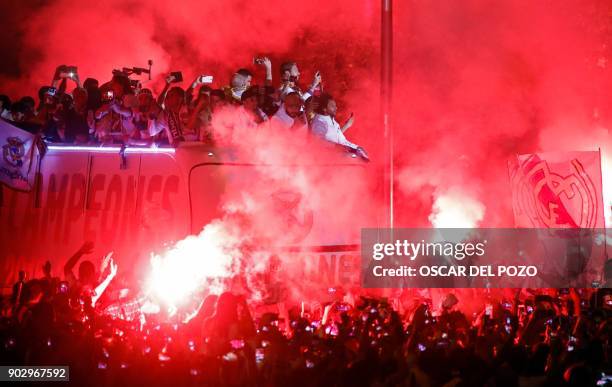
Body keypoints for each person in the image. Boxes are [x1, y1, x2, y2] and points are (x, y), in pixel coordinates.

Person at [310, 93, 368, 159]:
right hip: (328, 159)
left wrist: (356, 147)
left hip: (340, 156)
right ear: (324, 109)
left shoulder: (333, 122)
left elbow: (342, 141)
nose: (336, 108)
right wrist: (337, 146)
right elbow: (318, 142)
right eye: (332, 106)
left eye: (335, 105)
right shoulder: (319, 122)